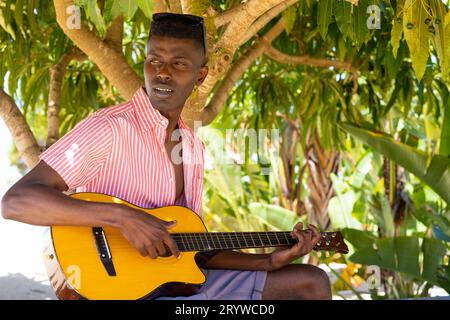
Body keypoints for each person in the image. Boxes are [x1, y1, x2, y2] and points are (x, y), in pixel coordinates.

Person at [1, 13, 331, 300]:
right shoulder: (109, 127)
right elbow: (16, 202)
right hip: (113, 290)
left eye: (179, 63)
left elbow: (192, 250)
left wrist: (269, 261)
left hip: (173, 286)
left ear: (200, 75)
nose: (162, 72)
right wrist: (122, 218)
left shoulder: (192, 147)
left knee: (310, 283)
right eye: (154, 59)